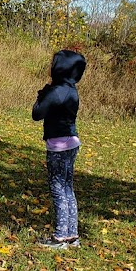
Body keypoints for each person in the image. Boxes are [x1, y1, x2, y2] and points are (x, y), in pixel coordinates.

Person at [31, 49, 87, 248]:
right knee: (67, 188)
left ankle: (60, 236)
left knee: (57, 189)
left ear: (60, 68)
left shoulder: (56, 91)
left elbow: (37, 113)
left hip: (58, 145)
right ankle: (72, 235)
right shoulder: (71, 90)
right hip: (71, 143)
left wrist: (42, 94)